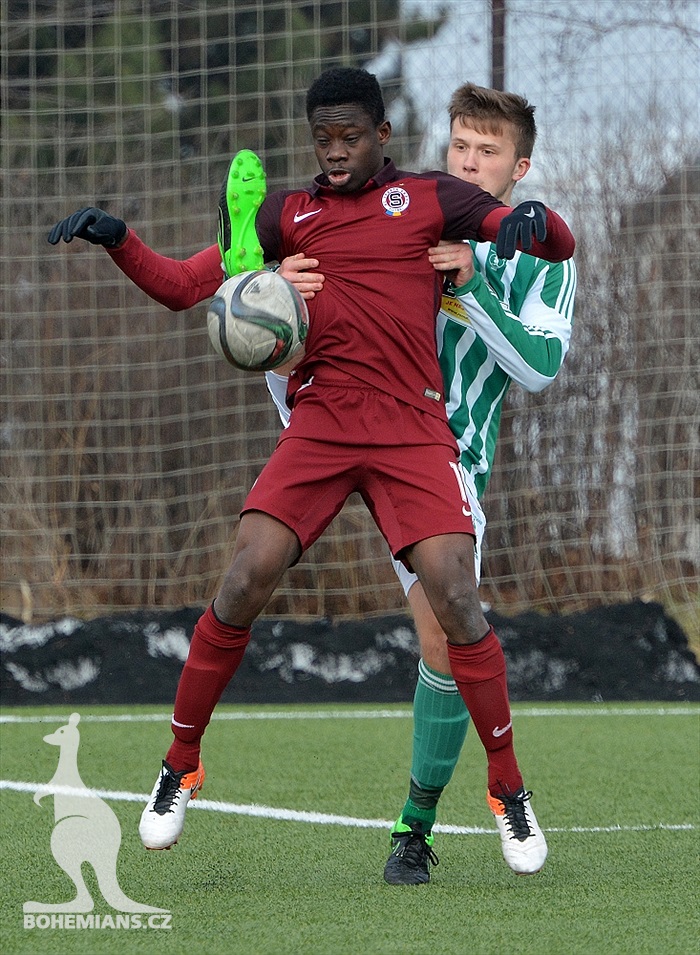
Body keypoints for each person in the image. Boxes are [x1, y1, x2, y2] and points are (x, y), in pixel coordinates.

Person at [48, 67, 575, 880]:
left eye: (350, 136)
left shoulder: (434, 200)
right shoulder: (288, 215)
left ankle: (506, 789)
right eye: (322, 137)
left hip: (414, 428)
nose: (335, 151)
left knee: (456, 598)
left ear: (382, 137)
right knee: (244, 573)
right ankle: (179, 764)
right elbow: (190, 287)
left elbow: (546, 242)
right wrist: (122, 239)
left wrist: (541, 228)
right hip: (323, 421)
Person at [265, 83, 576, 885]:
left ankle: (419, 825)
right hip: (347, 434)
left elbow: (539, 368)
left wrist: (468, 287)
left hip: (450, 458)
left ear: (520, 168)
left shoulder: (532, 251)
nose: (469, 162)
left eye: (489, 153)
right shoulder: (410, 214)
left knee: (444, 632)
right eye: (460, 148)